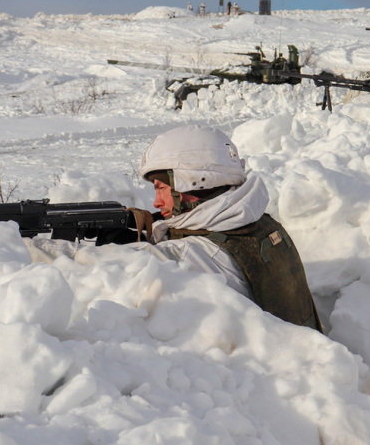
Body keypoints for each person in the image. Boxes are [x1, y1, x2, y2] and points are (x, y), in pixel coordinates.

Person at [138, 125, 322, 331]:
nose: (156, 202)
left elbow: (122, 272)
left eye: (161, 188)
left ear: (194, 182)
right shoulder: (258, 223)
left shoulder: (195, 253)